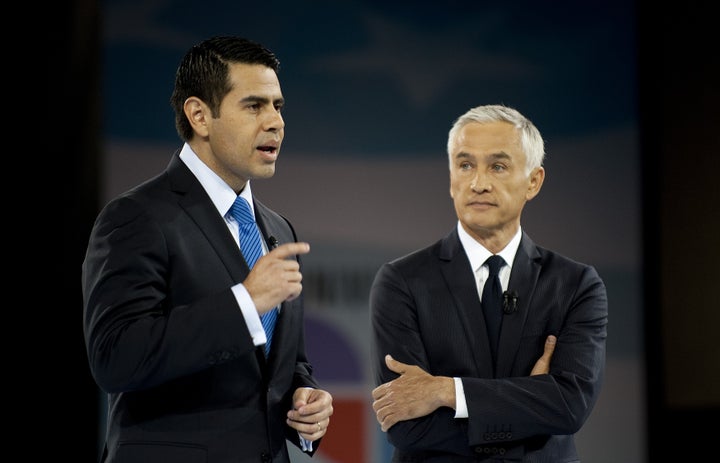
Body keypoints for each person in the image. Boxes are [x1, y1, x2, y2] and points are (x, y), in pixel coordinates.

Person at [82, 36, 333, 463]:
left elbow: (279, 364)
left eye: (279, 106)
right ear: (199, 115)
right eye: (255, 106)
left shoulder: (275, 227)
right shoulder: (136, 217)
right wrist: (245, 303)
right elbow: (115, 358)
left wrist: (303, 399)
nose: (276, 122)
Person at [370, 104, 607, 461]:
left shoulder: (575, 285)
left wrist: (447, 392)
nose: (478, 183)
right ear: (451, 178)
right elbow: (406, 424)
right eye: (465, 165)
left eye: (497, 166)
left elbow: (570, 406)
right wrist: (531, 403)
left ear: (533, 181)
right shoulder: (401, 281)